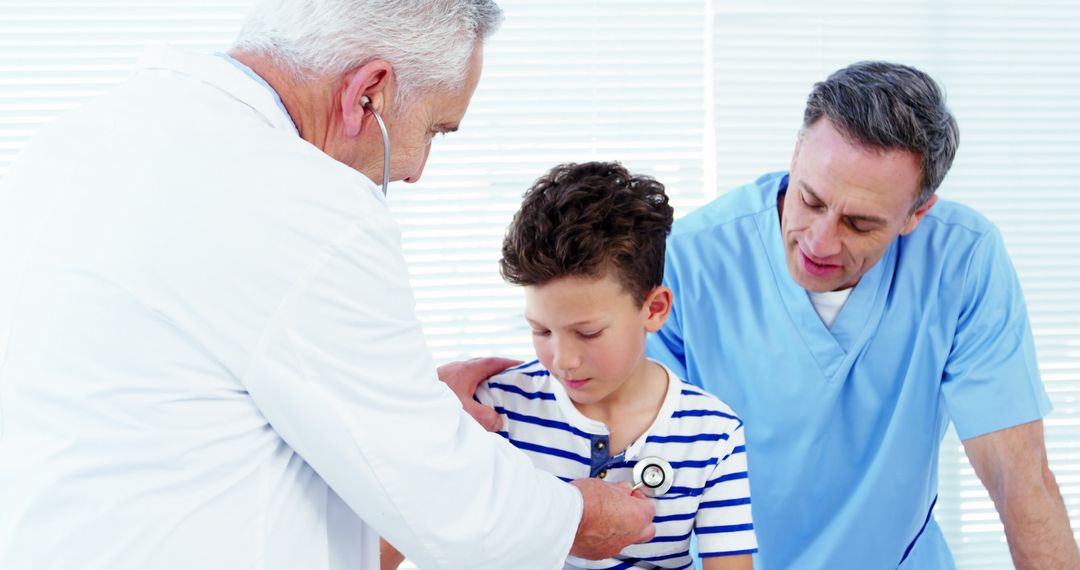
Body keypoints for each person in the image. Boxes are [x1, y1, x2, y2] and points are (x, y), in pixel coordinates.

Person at [0, 1, 655, 569]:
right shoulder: (302, 202)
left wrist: (409, 411)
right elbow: (457, 517)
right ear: (367, 92)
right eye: (433, 128)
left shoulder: (76, 143)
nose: (419, 169)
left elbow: (207, 400)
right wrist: (576, 516)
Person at [644, 62, 1080, 568]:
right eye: (810, 199)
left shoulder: (962, 260)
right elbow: (646, 475)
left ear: (917, 214)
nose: (819, 241)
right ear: (795, 155)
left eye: (860, 223)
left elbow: (1018, 478)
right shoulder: (686, 262)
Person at [385, 161, 757, 569]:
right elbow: (382, 554)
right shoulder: (491, 412)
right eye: (541, 331)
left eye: (588, 333)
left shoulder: (712, 432)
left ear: (654, 309)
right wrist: (428, 433)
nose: (563, 361)